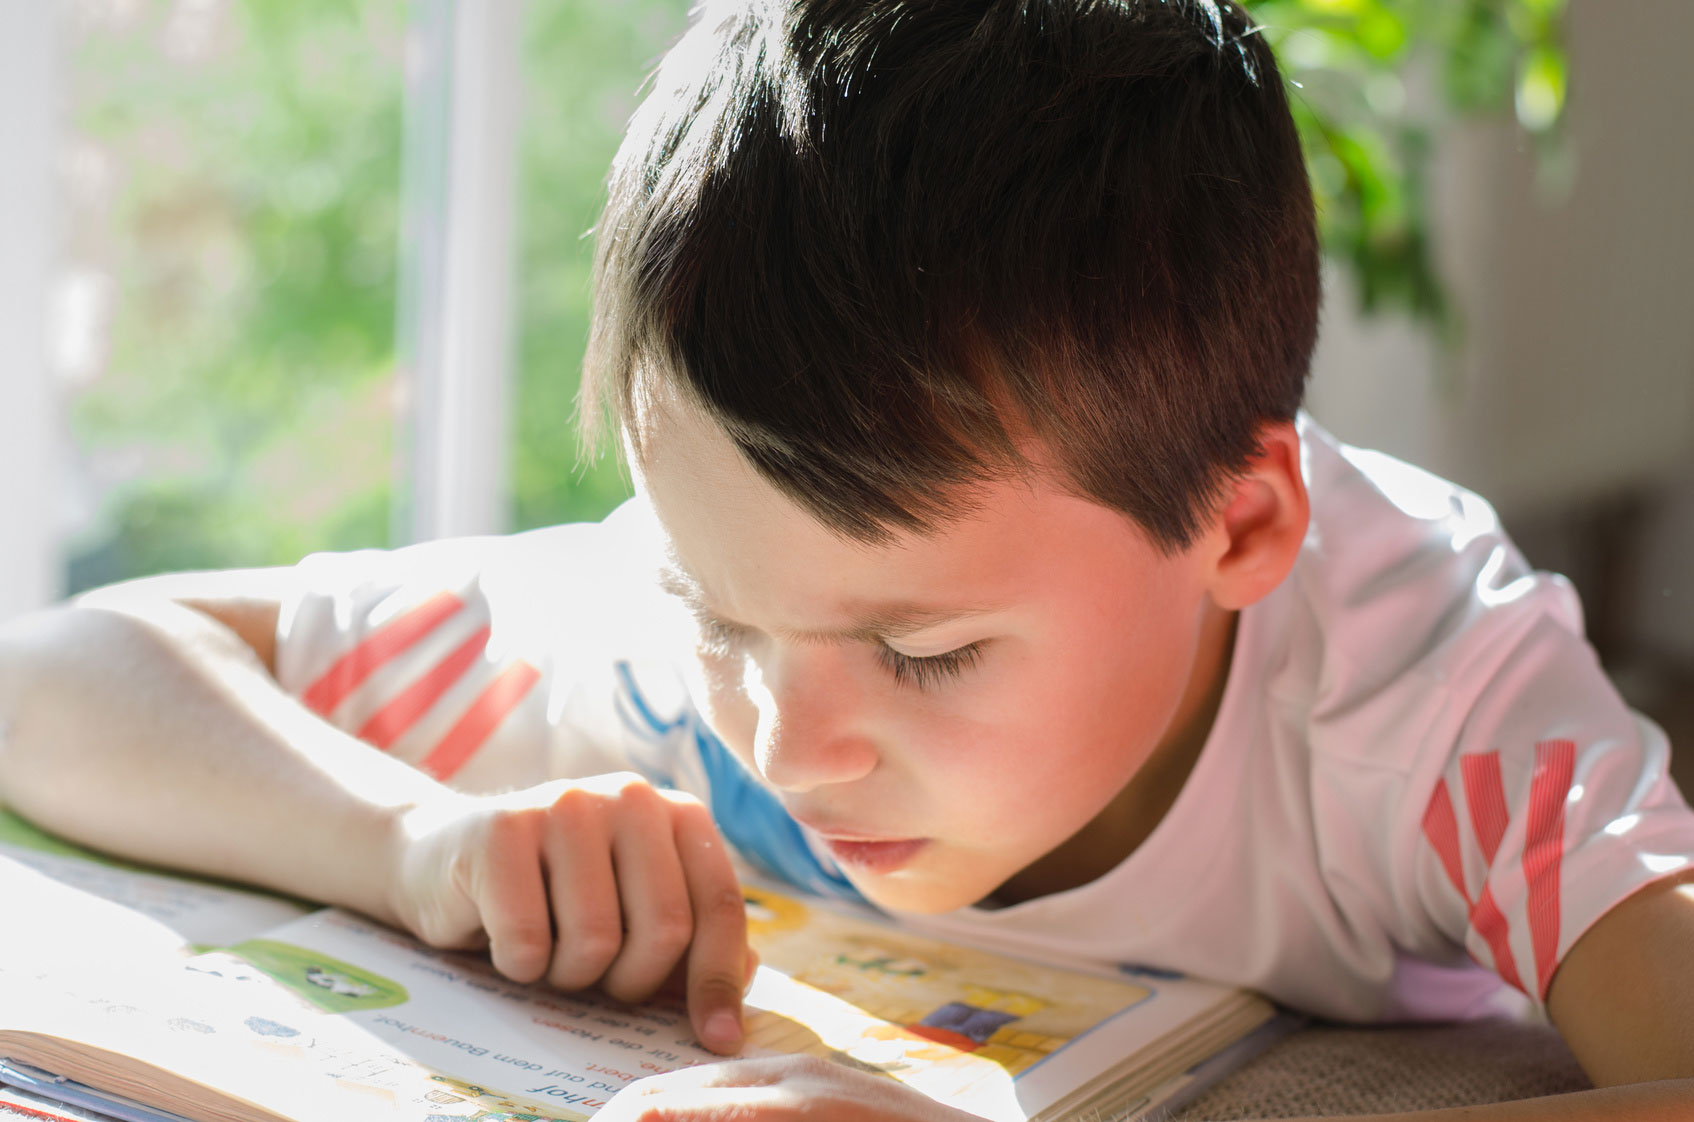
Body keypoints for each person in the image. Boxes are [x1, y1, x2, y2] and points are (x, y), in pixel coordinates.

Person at [2, 0, 1691, 1118]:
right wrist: (415, 839)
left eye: (929, 652)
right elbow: (54, 680)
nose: (783, 745)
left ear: (1238, 526)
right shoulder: (674, 637)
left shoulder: (1431, 694)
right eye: (715, 605)